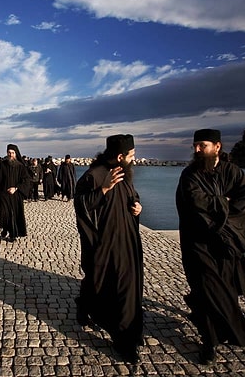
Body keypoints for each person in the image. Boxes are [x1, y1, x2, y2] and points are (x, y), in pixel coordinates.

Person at [176, 129, 245, 365]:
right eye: (195, 146)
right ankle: (209, 342)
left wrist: (224, 223)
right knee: (208, 288)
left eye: (203, 145)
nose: (198, 150)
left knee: (226, 290)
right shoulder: (190, 174)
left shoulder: (233, 172)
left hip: (226, 243)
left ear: (217, 147)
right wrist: (223, 202)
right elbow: (193, 203)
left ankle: (212, 323)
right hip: (198, 242)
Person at [74, 134, 144, 363]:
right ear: (121, 156)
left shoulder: (124, 173)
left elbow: (131, 195)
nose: (134, 159)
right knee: (109, 285)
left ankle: (120, 332)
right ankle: (123, 341)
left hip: (127, 240)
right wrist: (103, 190)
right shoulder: (95, 174)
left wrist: (136, 207)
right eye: (132, 155)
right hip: (105, 243)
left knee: (122, 286)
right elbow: (81, 204)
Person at [0, 144, 31, 242]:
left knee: (13, 215)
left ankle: (13, 235)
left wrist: (16, 188)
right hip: (3, 194)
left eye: (12, 153)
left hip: (15, 195)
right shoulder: (2, 165)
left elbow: (26, 180)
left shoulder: (20, 166)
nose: (10, 154)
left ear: (16, 154)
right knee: (4, 214)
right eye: (9, 152)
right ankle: (5, 227)